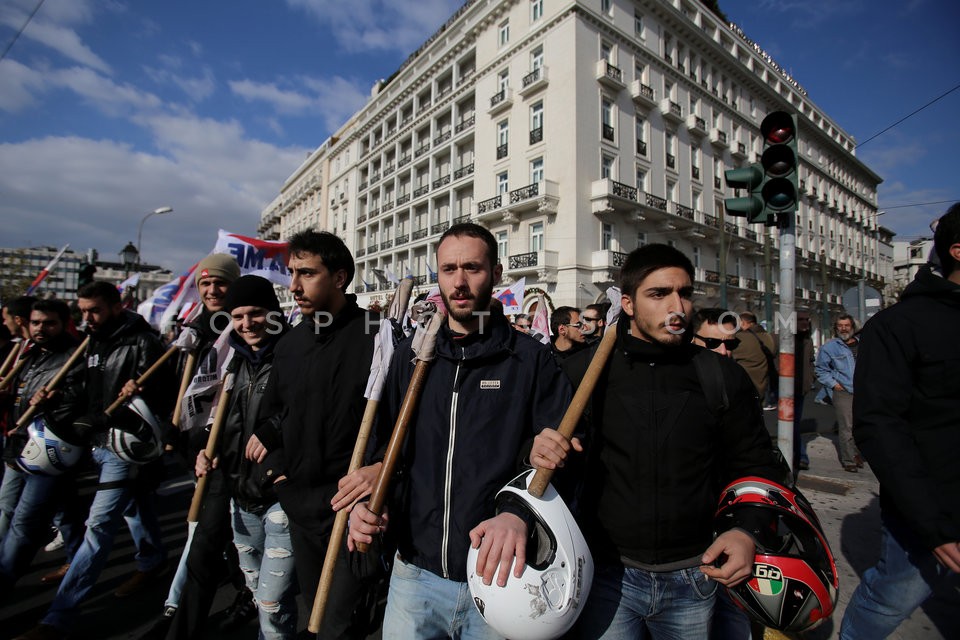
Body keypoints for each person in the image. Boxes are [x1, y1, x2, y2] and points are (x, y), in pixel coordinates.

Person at [533, 244, 788, 639]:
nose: (677, 307)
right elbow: (544, 455)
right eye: (659, 294)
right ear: (629, 304)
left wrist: (747, 531)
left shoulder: (720, 376)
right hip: (605, 575)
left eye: (684, 293)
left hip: (697, 574)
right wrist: (538, 450)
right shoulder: (581, 374)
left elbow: (755, 463)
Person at [348, 222, 572, 639]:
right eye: (448, 269)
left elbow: (564, 462)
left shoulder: (532, 361)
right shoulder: (411, 358)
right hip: (414, 575)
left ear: (497, 274)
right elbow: (387, 453)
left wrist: (518, 512)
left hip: (501, 576)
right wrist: (372, 501)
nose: (460, 281)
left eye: (473, 268)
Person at [16, 281, 175, 640]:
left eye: (94, 310)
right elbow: (87, 387)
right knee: (134, 505)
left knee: (99, 526)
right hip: (96, 440)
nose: (86, 317)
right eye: (82, 310)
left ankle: (58, 616)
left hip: (123, 442)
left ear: (117, 306)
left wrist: (143, 391)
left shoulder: (144, 342)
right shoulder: (92, 339)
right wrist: (57, 393)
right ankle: (151, 559)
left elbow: (168, 393)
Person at [840, 204, 960, 639]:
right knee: (892, 597)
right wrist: (932, 524)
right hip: (933, 506)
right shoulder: (899, 326)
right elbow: (880, 425)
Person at [251, 230, 378, 638]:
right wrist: (280, 477)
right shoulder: (289, 345)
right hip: (299, 510)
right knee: (314, 614)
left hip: (351, 510)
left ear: (339, 277)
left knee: (340, 625)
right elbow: (271, 419)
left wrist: (376, 479)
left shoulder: (379, 337)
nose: (294, 286)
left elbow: (396, 425)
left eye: (306, 273)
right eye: (292, 273)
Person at [147, 253, 252, 640]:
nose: (211, 290)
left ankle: (183, 608)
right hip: (199, 448)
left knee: (216, 533)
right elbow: (184, 387)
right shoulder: (194, 329)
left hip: (230, 448)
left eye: (220, 283)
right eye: (205, 284)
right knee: (210, 532)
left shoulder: (244, 328)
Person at [194, 275, 296, 638]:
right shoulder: (232, 360)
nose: (247, 323)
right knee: (256, 590)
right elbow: (225, 420)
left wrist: (275, 431)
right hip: (240, 494)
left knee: (271, 603)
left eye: (255, 313)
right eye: (238, 316)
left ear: (274, 312)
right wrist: (207, 451)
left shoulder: (296, 352)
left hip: (280, 495)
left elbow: (314, 411)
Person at [0, 300, 86, 595]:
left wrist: (56, 399)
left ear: (63, 323)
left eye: (49, 323)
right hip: (19, 445)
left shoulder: (74, 356)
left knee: (24, 523)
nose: (40, 328)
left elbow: (80, 401)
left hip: (48, 450)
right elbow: (18, 399)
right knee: (66, 512)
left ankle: (4, 580)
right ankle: (78, 559)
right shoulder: (30, 353)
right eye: (36, 322)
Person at [0, 296, 38, 538]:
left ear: (17, 319)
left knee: (17, 506)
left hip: (31, 435)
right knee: (9, 502)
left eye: (5, 318)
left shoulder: (39, 351)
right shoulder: (20, 347)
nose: (4, 324)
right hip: (13, 431)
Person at [814, 314, 862, 472]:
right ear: (836, 328)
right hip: (844, 391)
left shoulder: (863, 344)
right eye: (840, 326)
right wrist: (835, 385)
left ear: (852, 327)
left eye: (846, 325)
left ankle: (856, 454)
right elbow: (820, 370)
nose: (843, 328)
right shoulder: (829, 347)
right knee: (847, 427)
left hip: (864, 391)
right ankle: (849, 460)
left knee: (861, 425)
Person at [733, 311, 776, 408]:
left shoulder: (740, 337)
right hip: (763, 384)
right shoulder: (768, 337)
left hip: (743, 385)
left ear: (744, 323)